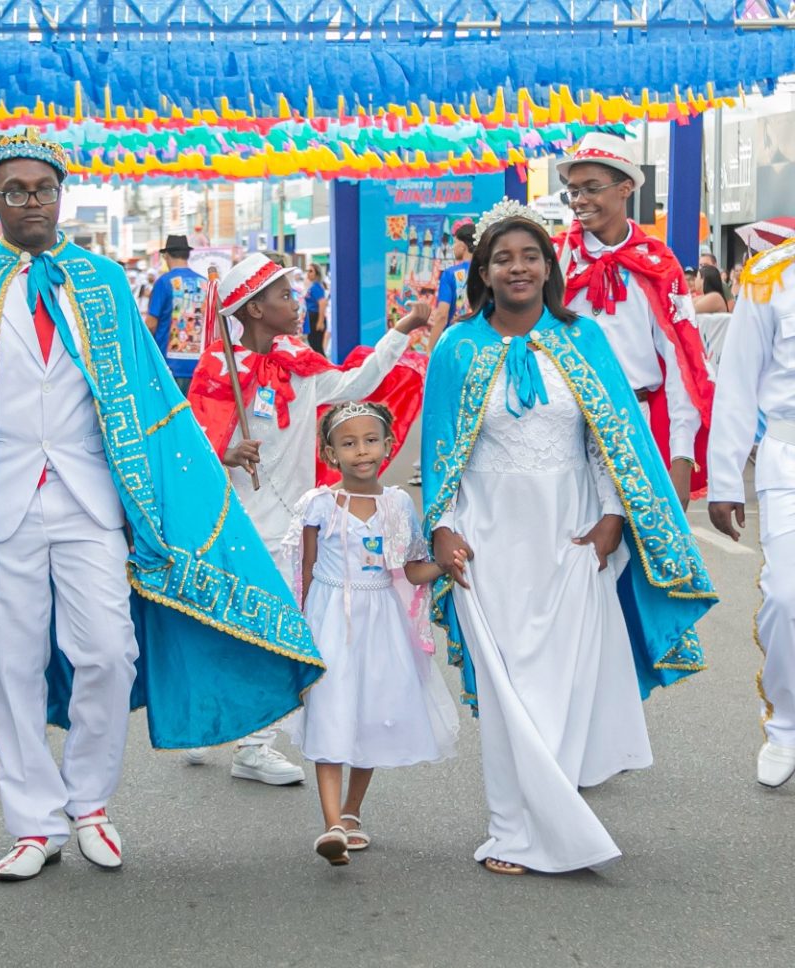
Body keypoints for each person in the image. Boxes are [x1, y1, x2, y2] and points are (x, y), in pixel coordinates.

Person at [0, 129, 322, 882]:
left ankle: (91, 804)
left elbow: (145, 392)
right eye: (16, 190)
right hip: (1, 504)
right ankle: (33, 822)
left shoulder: (102, 281)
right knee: (14, 664)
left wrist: (189, 475)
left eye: (44, 188)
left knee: (109, 650)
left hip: (91, 499)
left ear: (61, 195)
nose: (32, 201)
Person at [423, 200, 717, 876]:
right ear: (484, 272)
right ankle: (509, 828)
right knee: (505, 688)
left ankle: (547, 820)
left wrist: (614, 517)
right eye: (503, 258)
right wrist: (441, 530)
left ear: (549, 268)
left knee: (556, 682)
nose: (518, 267)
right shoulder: (456, 348)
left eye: (530, 256)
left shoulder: (583, 339)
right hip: (486, 540)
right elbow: (441, 452)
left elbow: (610, 438)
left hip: (573, 538)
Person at [188, 254, 431, 784]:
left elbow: (356, 385)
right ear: (255, 309)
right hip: (240, 524)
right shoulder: (217, 370)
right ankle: (214, 717)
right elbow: (193, 446)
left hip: (297, 527)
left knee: (283, 632)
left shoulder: (300, 364)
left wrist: (402, 332)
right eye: (284, 297)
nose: (296, 306)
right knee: (239, 632)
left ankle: (253, 744)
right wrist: (226, 451)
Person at [282, 401, 457, 865]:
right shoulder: (319, 504)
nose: (361, 451)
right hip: (329, 617)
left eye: (370, 440)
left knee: (370, 711)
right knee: (332, 708)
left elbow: (412, 568)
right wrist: (297, 633)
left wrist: (446, 564)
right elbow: (304, 568)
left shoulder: (398, 504)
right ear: (329, 452)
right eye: (348, 443)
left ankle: (352, 810)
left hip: (381, 619)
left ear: (389, 445)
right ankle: (331, 824)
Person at [554, 132, 714, 507]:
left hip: (636, 427)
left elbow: (682, 365)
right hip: (564, 430)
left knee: (643, 553)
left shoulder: (658, 263)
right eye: (573, 191)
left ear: (625, 188)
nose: (580, 201)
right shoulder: (556, 258)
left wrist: (681, 457)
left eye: (591, 188)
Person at [708, 238, 795, 787]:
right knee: (786, 597)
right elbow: (737, 383)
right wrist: (724, 479)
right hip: (789, 456)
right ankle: (785, 723)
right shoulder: (771, 274)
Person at [144, 234, 208, 395]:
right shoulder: (205, 283)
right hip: (200, 364)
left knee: (171, 416)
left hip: (169, 365)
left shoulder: (164, 282)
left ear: (166, 256)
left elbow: (151, 323)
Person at [426, 221, 475, 351]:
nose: (453, 247)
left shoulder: (450, 274)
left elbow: (442, 314)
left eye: (455, 242)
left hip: (456, 342)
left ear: (463, 246)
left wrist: (430, 349)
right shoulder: (489, 272)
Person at [303, 264, 328, 356]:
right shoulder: (312, 287)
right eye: (307, 271)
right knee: (313, 344)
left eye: (311, 271)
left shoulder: (316, 287)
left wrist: (320, 322)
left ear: (317, 273)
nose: (308, 273)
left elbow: (322, 303)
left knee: (317, 346)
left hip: (316, 317)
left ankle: (324, 366)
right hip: (311, 317)